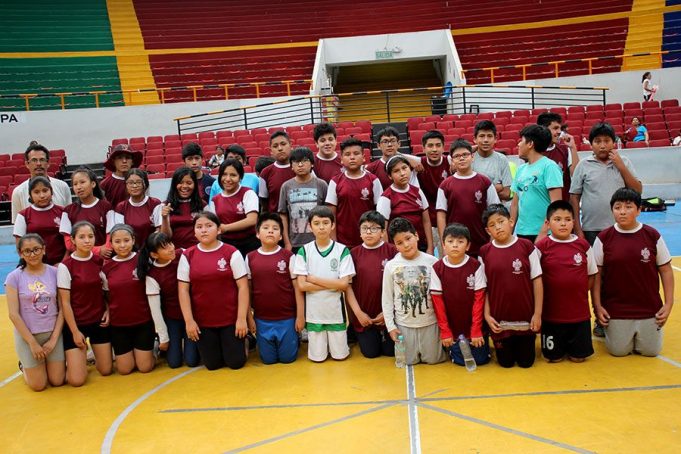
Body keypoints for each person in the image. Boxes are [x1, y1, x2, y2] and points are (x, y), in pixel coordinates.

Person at [592, 188, 674, 357]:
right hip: (616, 310)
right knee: (618, 351)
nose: (622, 211)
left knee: (651, 352)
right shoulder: (603, 238)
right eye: (617, 207)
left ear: (639, 210)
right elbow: (596, 276)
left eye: (628, 207)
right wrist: (598, 306)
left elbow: (665, 270)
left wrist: (668, 304)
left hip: (649, 309)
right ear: (612, 210)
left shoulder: (652, 235)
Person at [178, 211, 249, 370]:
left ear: (218, 230)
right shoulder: (188, 255)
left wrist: (241, 318)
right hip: (204, 321)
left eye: (209, 226)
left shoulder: (231, 252)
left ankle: (244, 342)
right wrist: (189, 321)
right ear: (194, 231)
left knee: (235, 363)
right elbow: (183, 290)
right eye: (199, 227)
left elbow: (243, 287)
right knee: (212, 365)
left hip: (230, 319)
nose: (204, 230)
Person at [480, 204, 543, 368]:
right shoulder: (484, 252)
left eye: (501, 221)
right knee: (505, 363)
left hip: (526, 322)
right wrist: (487, 316)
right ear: (488, 231)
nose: (498, 227)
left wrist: (537, 314)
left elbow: (537, 281)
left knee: (526, 363)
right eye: (492, 225)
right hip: (500, 324)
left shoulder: (526, 246)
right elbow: (483, 289)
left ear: (511, 221)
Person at [535, 201, 597, 363]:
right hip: (551, 317)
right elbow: (535, 278)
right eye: (557, 219)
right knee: (553, 358)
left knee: (578, 358)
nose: (563, 223)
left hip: (579, 315)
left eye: (567, 219)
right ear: (548, 223)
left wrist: (579, 292)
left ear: (574, 222)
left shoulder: (583, 246)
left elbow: (591, 275)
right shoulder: (542, 247)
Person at [293, 206, 355, 362]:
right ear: (310, 226)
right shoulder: (304, 251)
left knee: (340, 357)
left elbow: (344, 285)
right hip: (314, 315)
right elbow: (302, 286)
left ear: (333, 225)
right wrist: (333, 284)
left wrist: (314, 279)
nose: (321, 227)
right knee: (317, 359)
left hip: (335, 314)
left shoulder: (342, 251)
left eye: (326, 223)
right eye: (317, 223)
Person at [5, 234, 65, 391]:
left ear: (44, 250)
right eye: (27, 251)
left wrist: (53, 340)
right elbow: (13, 314)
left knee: (57, 380)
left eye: (36, 249)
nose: (32, 255)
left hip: (52, 334)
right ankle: (25, 366)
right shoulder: (14, 277)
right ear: (20, 254)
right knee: (38, 386)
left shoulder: (55, 273)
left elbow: (62, 308)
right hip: (28, 337)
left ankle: (44, 363)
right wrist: (32, 343)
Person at [382, 217, 445, 365]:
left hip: (430, 324)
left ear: (416, 235)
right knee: (408, 363)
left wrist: (443, 327)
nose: (406, 245)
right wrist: (391, 327)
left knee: (434, 361)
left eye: (408, 238)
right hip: (404, 326)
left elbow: (441, 297)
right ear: (395, 246)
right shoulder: (391, 266)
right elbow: (387, 299)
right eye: (399, 243)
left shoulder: (433, 262)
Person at [58, 221, 113, 386]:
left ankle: (85, 358)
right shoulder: (65, 266)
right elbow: (65, 303)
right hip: (76, 324)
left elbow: (106, 293)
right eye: (81, 237)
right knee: (77, 381)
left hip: (98, 322)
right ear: (73, 240)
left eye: (90, 236)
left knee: (106, 370)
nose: (87, 240)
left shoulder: (99, 261)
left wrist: (108, 311)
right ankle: (73, 362)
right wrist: (74, 331)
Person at [246, 212, 305, 364]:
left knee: (288, 359)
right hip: (262, 319)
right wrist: (250, 318)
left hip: (287, 318)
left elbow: (297, 288)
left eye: (275, 228)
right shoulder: (250, 257)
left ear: (280, 236)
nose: (270, 231)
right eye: (265, 228)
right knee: (268, 360)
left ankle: (294, 337)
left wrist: (300, 316)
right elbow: (246, 290)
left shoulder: (289, 256)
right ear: (258, 234)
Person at [570, 123, 642, 245]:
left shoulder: (624, 162)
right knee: (595, 264)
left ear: (613, 143)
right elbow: (574, 197)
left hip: (621, 226)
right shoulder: (583, 165)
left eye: (607, 141)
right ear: (591, 144)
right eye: (597, 141)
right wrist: (578, 229)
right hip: (591, 229)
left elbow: (638, 190)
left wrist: (620, 166)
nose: (602, 146)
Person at [430, 223, 490, 366]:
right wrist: (445, 331)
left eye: (460, 241)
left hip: (474, 326)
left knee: (481, 360)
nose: (455, 245)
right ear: (443, 245)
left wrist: (476, 329)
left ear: (468, 246)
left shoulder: (476, 266)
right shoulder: (437, 268)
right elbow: (438, 303)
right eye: (450, 241)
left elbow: (479, 299)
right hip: (453, 328)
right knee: (460, 362)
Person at [138, 231, 199, 369]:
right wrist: (163, 337)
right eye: (164, 247)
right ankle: (157, 345)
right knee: (174, 363)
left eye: (170, 243)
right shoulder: (152, 275)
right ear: (154, 254)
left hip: (192, 315)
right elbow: (155, 310)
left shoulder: (182, 254)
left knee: (191, 361)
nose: (171, 248)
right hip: (172, 318)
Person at [102, 224, 155, 375]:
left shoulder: (143, 260)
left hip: (143, 321)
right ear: (111, 244)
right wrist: (107, 310)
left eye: (126, 240)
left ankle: (153, 348)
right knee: (125, 370)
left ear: (133, 240)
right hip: (119, 324)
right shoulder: (107, 268)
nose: (122, 245)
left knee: (144, 368)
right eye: (117, 241)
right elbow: (106, 294)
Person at [346, 211, 397, 358]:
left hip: (389, 316)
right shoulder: (353, 254)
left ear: (382, 232)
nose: (369, 232)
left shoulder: (392, 251)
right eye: (365, 228)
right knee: (371, 353)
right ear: (360, 232)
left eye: (374, 228)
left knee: (390, 352)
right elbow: (347, 287)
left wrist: (389, 312)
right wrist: (358, 314)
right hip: (365, 317)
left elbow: (400, 285)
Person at [436, 139, 499, 257]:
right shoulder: (445, 185)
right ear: (452, 161)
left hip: (481, 241)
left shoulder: (484, 182)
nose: (461, 158)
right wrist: (444, 243)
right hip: (455, 243)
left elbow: (495, 211)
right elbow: (441, 215)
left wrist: (493, 239)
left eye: (465, 154)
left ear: (472, 157)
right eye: (457, 156)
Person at [325, 137, 382, 248]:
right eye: (347, 154)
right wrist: (334, 241)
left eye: (356, 153)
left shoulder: (373, 180)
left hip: (369, 239)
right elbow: (331, 215)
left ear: (364, 157)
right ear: (341, 159)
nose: (352, 157)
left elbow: (380, 213)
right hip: (343, 242)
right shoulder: (335, 181)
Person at [510, 125, 563, 243]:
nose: (518, 144)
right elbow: (515, 204)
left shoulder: (549, 166)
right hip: (522, 232)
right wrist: (510, 232)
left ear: (530, 144)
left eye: (521, 141)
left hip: (545, 234)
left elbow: (556, 204)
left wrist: (543, 232)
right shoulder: (520, 169)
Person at [377, 155, 433, 254]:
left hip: (420, 246)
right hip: (399, 250)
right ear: (390, 176)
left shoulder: (418, 191)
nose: (402, 173)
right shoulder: (386, 197)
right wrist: (389, 252)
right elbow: (383, 229)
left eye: (404, 168)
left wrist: (430, 247)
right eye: (396, 171)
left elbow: (426, 221)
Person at [278, 147, 328, 252]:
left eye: (304, 161)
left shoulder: (321, 184)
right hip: (295, 242)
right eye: (296, 162)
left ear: (312, 164)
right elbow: (283, 214)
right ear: (291, 166)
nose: (300, 165)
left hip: (319, 240)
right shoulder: (286, 186)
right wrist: (287, 242)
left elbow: (328, 213)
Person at [207, 158, 260, 256]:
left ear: (240, 177)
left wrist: (226, 228)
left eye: (233, 175)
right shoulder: (215, 200)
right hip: (226, 246)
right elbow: (213, 223)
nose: (228, 179)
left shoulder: (248, 193)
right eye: (224, 174)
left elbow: (252, 220)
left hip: (250, 245)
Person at [60, 167, 115, 258]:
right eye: (75, 184)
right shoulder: (68, 210)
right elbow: (69, 244)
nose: (79, 187)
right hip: (79, 259)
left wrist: (105, 250)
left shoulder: (106, 207)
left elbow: (111, 234)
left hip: (102, 260)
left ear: (93, 184)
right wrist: (97, 250)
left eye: (82, 182)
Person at [11, 142, 71, 224]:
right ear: (27, 164)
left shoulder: (63, 187)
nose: (38, 164)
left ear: (48, 163)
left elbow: (69, 219)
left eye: (42, 160)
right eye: (34, 160)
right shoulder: (18, 192)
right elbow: (17, 226)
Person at [13, 176, 66, 265]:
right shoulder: (23, 215)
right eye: (36, 192)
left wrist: (63, 264)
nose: (42, 195)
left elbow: (69, 243)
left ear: (51, 192)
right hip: (33, 266)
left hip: (60, 264)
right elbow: (20, 246)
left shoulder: (63, 212)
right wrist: (34, 266)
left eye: (45, 190)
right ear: (30, 195)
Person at [417, 130, 451, 256]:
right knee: (429, 258)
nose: (434, 149)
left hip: (448, 221)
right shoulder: (418, 164)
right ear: (423, 148)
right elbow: (396, 156)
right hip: (427, 224)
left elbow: (466, 150)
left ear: (443, 147)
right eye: (430, 146)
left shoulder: (450, 162)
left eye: (438, 145)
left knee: (447, 257)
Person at [157, 167, 205, 249]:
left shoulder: (203, 205)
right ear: (174, 184)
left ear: (195, 185)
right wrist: (164, 218)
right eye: (180, 183)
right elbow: (165, 236)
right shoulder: (164, 206)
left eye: (189, 183)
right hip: (173, 252)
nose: (185, 186)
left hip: (198, 250)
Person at [114, 169, 162, 249]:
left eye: (138, 182)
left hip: (151, 250)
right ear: (126, 185)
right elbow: (120, 233)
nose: (135, 186)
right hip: (129, 251)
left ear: (145, 184)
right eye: (131, 183)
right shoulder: (121, 207)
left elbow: (159, 231)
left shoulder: (155, 203)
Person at [537, 112, 578, 201]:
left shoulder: (565, 149)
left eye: (560, 128)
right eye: (555, 128)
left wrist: (573, 147)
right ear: (543, 129)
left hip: (562, 207)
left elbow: (576, 174)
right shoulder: (533, 152)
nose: (559, 132)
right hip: (540, 207)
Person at [471, 120, 512, 202]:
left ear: (495, 139)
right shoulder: (469, 158)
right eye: (482, 136)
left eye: (489, 136)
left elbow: (507, 193)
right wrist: (496, 188)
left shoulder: (502, 159)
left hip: (495, 211)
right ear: (475, 139)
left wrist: (479, 192)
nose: (486, 140)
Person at [259, 131, 295, 213]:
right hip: (277, 221)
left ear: (291, 146)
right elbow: (264, 201)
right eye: (275, 146)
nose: (280, 148)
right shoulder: (265, 173)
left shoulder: (302, 168)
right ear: (271, 151)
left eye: (283, 144)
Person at [100, 144, 143, 208]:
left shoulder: (141, 181)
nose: (124, 161)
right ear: (113, 162)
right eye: (120, 158)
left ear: (132, 162)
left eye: (127, 157)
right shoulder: (105, 184)